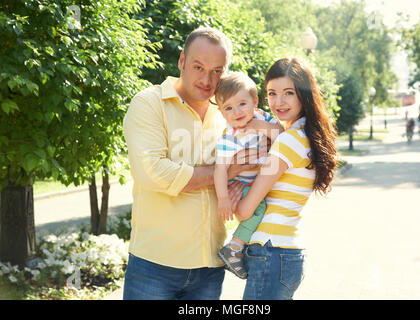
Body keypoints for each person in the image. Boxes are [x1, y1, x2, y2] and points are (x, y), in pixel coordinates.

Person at [122, 27, 261, 300]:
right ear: (182, 60)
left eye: (217, 71)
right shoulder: (149, 104)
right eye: (198, 66)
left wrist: (235, 186)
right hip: (154, 266)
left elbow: (254, 162)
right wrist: (227, 170)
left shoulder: (228, 114)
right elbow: (155, 174)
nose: (207, 79)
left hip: (210, 267)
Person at [235, 57, 337, 300]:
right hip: (285, 252)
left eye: (288, 93)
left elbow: (245, 211)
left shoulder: (289, 141)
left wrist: (230, 189)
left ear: (304, 94)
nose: (278, 102)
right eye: (271, 93)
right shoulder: (305, 136)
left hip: (271, 251)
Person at [213, 71, 284, 279]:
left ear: (255, 101)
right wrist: (224, 198)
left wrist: (262, 127)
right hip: (241, 183)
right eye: (228, 108)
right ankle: (234, 248)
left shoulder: (263, 117)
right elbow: (219, 169)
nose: (236, 112)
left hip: (259, 178)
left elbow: (282, 134)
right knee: (258, 209)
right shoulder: (230, 136)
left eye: (242, 104)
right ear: (222, 113)